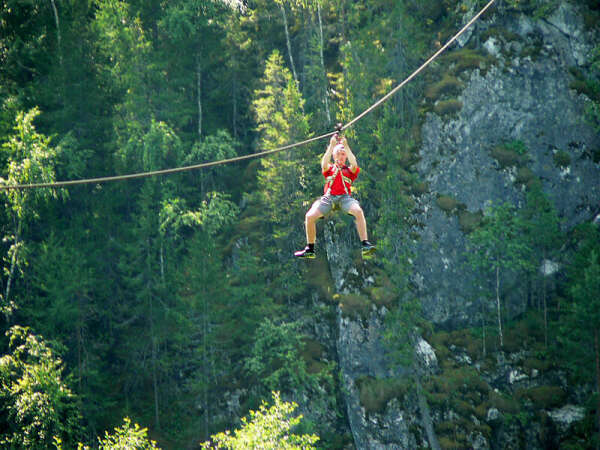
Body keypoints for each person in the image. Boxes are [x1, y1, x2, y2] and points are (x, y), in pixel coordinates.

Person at [294, 133, 376, 258]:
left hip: (344, 198)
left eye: (343, 155)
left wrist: (346, 146)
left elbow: (354, 163)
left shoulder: (349, 171)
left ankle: (365, 244)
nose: (341, 156)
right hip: (329, 198)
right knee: (309, 216)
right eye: (338, 154)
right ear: (334, 155)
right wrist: (331, 146)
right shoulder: (330, 168)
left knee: (358, 211)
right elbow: (323, 163)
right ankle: (310, 248)